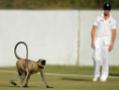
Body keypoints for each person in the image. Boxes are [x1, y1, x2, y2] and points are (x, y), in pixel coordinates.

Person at [91, 2, 117, 82]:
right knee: (96, 57)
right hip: (98, 39)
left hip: (107, 40)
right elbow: (93, 29)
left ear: (110, 10)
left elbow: (114, 32)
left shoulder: (113, 20)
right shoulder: (98, 18)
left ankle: (104, 75)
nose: (107, 10)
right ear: (103, 9)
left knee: (105, 58)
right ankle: (96, 75)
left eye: (108, 9)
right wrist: (92, 41)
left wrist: (112, 43)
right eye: (106, 9)